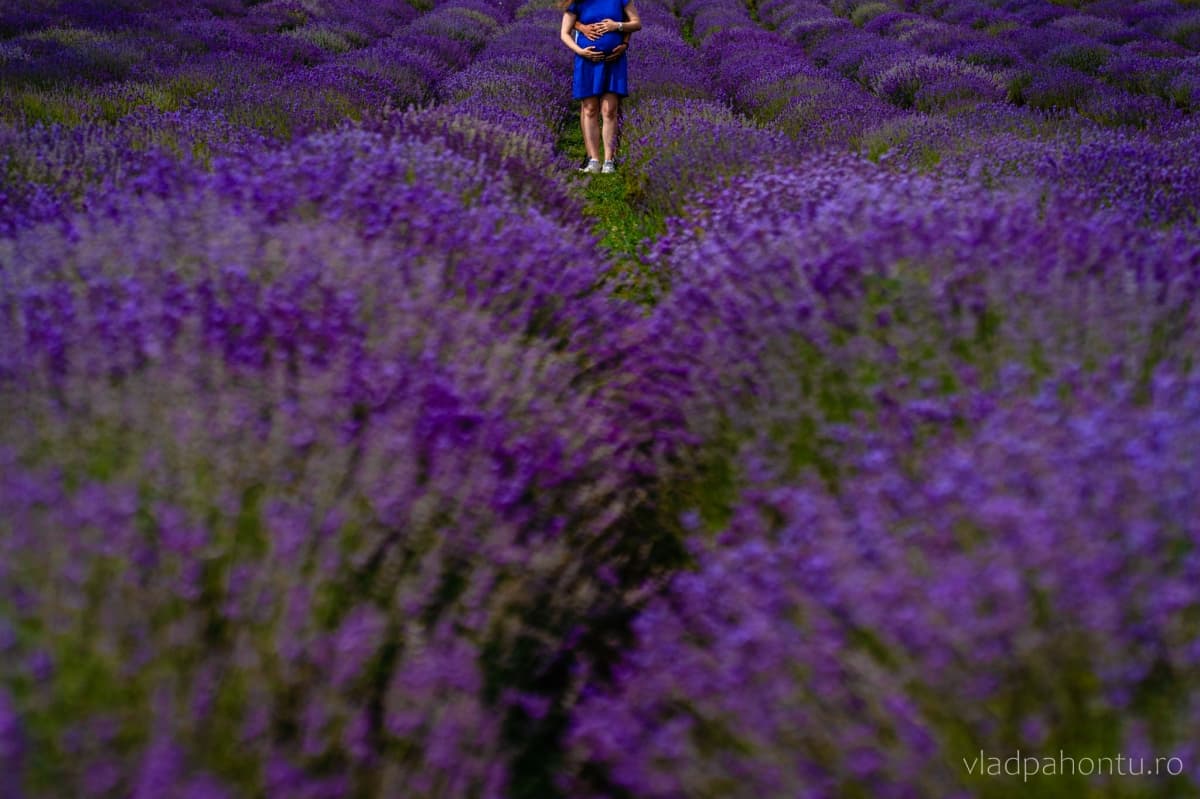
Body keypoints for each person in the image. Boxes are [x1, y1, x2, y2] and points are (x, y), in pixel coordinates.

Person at [560, 0, 641, 174]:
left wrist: (616, 26)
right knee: (590, 109)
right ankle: (594, 160)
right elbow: (564, 33)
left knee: (610, 110)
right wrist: (580, 51)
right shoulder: (577, 2)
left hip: (614, 61)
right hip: (587, 62)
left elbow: (636, 23)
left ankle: (609, 161)